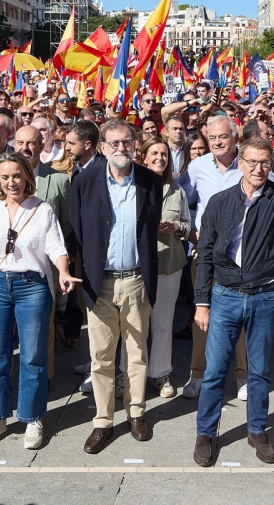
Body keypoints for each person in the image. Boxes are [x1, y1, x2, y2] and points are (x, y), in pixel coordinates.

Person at [192, 132, 274, 467]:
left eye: (265, 163)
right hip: (225, 296)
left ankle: (257, 429)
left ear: (271, 165)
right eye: (252, 162)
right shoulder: (219, 202)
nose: (259, 169)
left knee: (259, 371)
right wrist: (202, 302)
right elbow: (205, 254)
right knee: (215, 371)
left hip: (265, 296)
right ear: (240, 163)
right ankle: (206, 432)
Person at [0, 152, 78, 450]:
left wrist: (64, 272)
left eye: (16, 175)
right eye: (5, 177)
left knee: (33, 356)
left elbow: (56, 246)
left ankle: (32, 418)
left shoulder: (42, 210)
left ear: (27, 176)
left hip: (32, 287)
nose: (11, 182)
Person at [70, 120, 163, 454]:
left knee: (137, 354)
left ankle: (136, 413)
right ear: (102, 147)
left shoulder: (151, 181)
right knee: (101, 357)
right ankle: (103, 421)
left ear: (135, 144)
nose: (121, 148)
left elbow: (150, 229)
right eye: (114, 143)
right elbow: (77, 230)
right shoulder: (83, 182)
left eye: (127, 142)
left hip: (137, 280)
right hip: (100, 283)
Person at [183, 116, 251, 400]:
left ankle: (243, 375)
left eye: (223, 137)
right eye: (212, 138)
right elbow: (181, 199)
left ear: (235, 137)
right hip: (206, 254)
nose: (217, 142)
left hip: (241, 256)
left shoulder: (249, 163)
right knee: (202, 314)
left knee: (241, 318)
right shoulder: (197, 167)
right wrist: (189, 229)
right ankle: (197, 374)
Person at [138, 138, 190, 398]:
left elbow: (188, 227)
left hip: (170, 263)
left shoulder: (177, 191)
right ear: (144, 157)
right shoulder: (133, 186)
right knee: (135, 323)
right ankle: (129, 374)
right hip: (138, 265)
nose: (160, 158)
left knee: (162, 322)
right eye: (155, 153)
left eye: (164, 154)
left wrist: (177, 227)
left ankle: (160, 373)